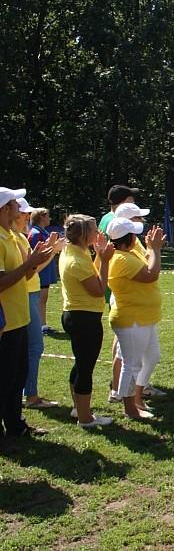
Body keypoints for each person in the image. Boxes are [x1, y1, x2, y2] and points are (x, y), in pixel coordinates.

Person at [1, 187, 56, 437]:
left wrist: (34, 262)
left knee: (16, 378)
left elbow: (24, 276)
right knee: (5, 380)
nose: (20, 207)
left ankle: (16, 426)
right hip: (6, 322)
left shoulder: (12, 236)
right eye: (15, 203)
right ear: (5, 209)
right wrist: (29, 264)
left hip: (19, 318)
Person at [106, 218, 164, 419]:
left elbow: (147, 263)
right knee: (131, 365)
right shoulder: (121, 258)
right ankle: (130, 408)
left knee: (152, 356)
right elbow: (151, 274)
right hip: (132, 319)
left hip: (143, 318)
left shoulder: (128, 254)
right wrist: (155, 249)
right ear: (129, 238)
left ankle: (137, 400)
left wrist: (151, 249)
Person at [59, 214, 114, 427]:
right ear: (84, 235)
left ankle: (78, 408)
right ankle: (85, 418)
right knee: (85, 368)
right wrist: (105, 260)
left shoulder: (74, 251)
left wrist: (99, 255)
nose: (98, 232)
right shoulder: (77, 260)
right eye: (94, 229)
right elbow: (99, 289)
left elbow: (92, 274)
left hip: (77, 315)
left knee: (81, 363)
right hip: (83, 318)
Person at [16, 198, 60, 410]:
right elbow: (30, 271)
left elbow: (31, 270)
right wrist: (51, 251)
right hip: (25, 294)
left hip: (30, 292)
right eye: (23, 212)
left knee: (30, 347)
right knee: (34, 346)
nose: (27, 216)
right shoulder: (18, 237)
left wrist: (51, 250)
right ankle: (31, 396)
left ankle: (28, 394)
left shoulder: (20, 237)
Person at [27, 207, 59, 334]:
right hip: (40, 271)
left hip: (45, 270)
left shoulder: (42, 231)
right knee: (40, 299)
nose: (49, 218)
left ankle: (43, 325)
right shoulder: (36, 233)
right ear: (41, 217)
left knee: (43, 298)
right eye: (47, 216)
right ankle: (40, 326)